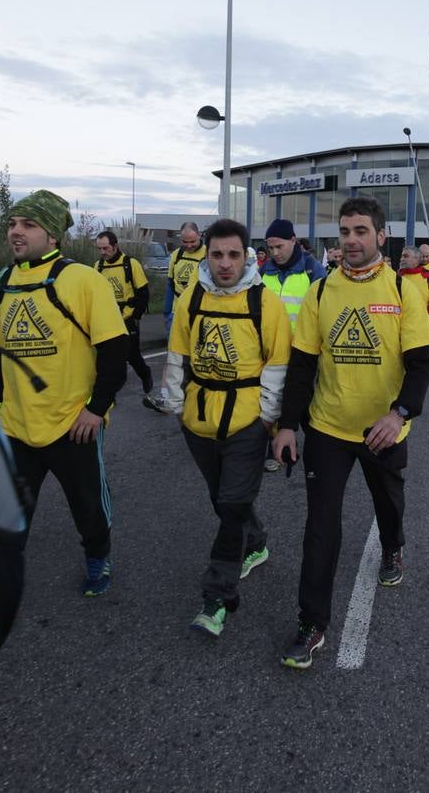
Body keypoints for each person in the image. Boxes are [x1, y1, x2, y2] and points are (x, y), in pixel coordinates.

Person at [271, 197, 429, 669]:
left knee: (389, 503)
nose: (351, 240)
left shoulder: (405, 291)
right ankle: (312, 623)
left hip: (383, 430)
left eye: (361, 231)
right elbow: (303, 364)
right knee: (321, 526)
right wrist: (287, 425)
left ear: (381, 237)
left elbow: (421, 363)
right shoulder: (321, 293)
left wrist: (399, 413)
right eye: (345, 231)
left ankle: (392, 546)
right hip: (327, 427)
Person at [0, 189, 128, 597]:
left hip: (71, 424)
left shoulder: (81, 279)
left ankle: (98, 556)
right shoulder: (2, 282)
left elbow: (114, 352)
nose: (16, 232)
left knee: (88, 507)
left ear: (53, 235)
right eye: (12, 224)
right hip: (16, 423)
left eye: (28, 225)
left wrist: (96, 410)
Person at [160, 219, 290, 638]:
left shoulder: (264, 302)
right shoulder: (192, 297)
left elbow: (277, 362)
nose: (225, 263)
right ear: (206, 255)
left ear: (248, 256)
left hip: (246, 423)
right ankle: (256, 541)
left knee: (232, 504)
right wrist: (176, 405)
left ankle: (216, 597)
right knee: (223, 499)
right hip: (198, 422)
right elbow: (178, 351)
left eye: (234, 254)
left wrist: (266, 419)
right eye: (217, 254)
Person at [260, 218, 326, 471]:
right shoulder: (265, 271)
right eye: (270, 247)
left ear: (293, 241)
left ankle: (320, 451)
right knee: (271, 397)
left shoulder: (313, 270)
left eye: (279, 246)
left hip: (304, 352)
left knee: (306, 403)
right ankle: (271, 448)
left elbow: (324, 311)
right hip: (270, 350)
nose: (275, 253)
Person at [95, 230, 161, 411]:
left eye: (105, 248)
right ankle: (110, 395)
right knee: (110, 359)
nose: (102, 252)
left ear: (115, 246)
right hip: (108, 320)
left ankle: (145, 374)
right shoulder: (98, 267)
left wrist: (136, 317)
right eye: (99, 249)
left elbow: (143, 293)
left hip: (128, 319)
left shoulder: (130, 264)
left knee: (132, 356)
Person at [165, 221, 206, 333]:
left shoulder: (208, 255)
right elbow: (170, 283)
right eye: (185, 241)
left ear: (199, 235)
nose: (189, 245)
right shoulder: (176, 255)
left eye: (193, 241)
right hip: (177, 311)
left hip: (200, 311)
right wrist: (167, 312)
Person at [398, 245, 429, 330]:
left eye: (405, 256)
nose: (401, 259)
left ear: (416, 259)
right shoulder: (397, 277)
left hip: (421, 329)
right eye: (402, 256)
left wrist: (426, 328)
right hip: (399, 329)